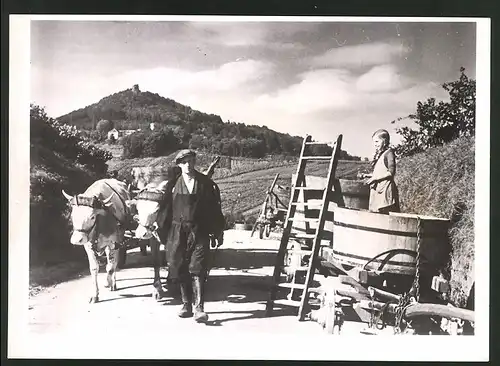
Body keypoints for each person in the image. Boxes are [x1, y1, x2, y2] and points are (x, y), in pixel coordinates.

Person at [160, 149, 225, 323]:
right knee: (180, 266)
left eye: (191, 161)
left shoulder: (206, 184)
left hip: (200, 231)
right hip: (178, 232)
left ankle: (199, 308)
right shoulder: (172, 185)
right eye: (184, 162)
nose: (188, 165)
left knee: (198, 268)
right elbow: (165, 211)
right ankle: (186, 304)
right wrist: (163, 234)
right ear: (179, 165)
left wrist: (218, 231)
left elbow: (215, 210)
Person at [361, 129, 400, 214]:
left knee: (384, 214)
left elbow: (391, 172)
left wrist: (375, 178)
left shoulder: (389, 153)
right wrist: (368, 175)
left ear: (385, 141)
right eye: (374, 142)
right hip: (378, 190)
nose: (375, 144)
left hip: (385, 190)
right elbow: (380, 172)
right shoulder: (382, 155)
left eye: (377, 141)